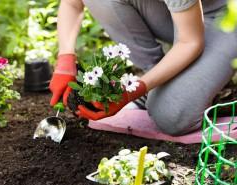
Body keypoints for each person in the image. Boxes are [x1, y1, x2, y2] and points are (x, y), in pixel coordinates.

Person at [49, 0, 236, 136]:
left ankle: (176, 88)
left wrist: (133, 91)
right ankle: (157, 80)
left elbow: (190, 42)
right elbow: (72, 4)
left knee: (171, 116)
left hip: (226, 17)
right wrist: (65, 59)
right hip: (181, 16)